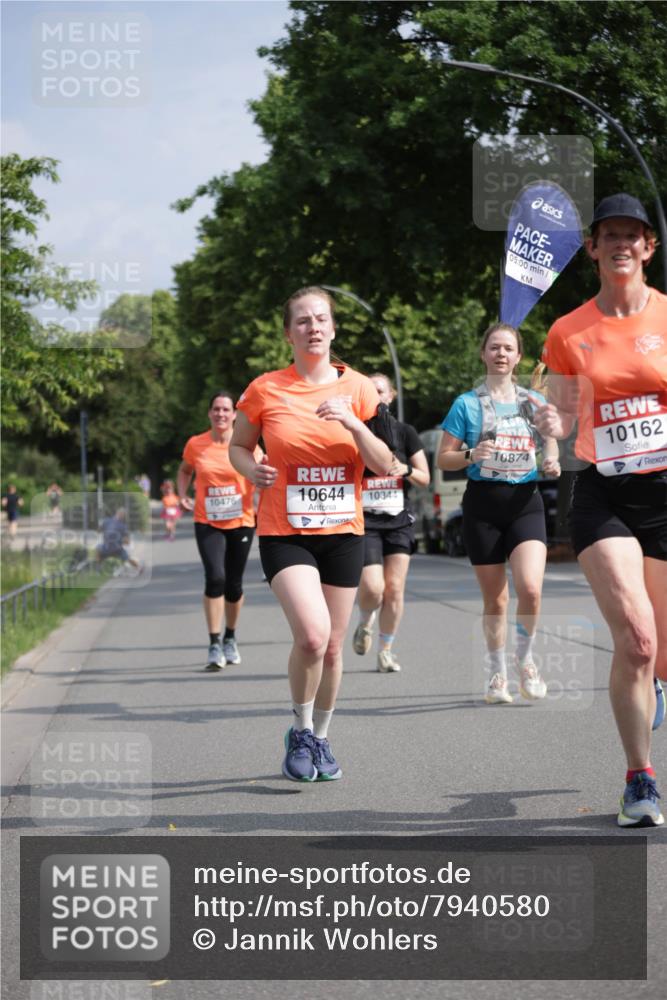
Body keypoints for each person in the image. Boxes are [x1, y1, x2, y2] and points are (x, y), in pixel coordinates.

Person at [536, 193, 666, 827]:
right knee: (638, 642)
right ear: (591, 248)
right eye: (608, 235)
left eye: (632, 235)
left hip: (666, 495)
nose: (621, 243)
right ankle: (640, 780)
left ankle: (655, 682)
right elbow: (562, 419)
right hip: (604, 495)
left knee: (661, 653)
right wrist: (548, 418)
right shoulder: (567, 332)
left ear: (649, 246)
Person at [229, 286, 393, 782]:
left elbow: (385, 464)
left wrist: (354, 425)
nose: (314, 327)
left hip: (344, 530)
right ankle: (299, 730)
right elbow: (239, 445)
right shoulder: (264, 390)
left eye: (321, 319)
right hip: (286, 531)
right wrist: (250, 468)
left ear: (334, 328)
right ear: (289, 333)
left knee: (335, 646)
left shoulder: (361, 389)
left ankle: (321, 738)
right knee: (312, 635)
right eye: (303, 321)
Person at [438, 322, 561, 706]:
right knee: (497, 601)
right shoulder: (466, 404)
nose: (502, 354)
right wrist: (473, 455)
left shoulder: (533, 401)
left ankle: (525, 661)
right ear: (483, 354)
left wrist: (552, 459)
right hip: (482, 506)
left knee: (531, 590)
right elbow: (443, 457)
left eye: (509, 348)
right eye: (495, 347)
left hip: (525, 503)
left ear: (518, 356)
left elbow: (551, 441)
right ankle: (497, 672)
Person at [351, 373, 430, 672]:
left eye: (381, 391)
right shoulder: (355, 432)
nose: (377, 396)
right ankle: (365, 621)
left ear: (391, 396)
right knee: (373, 588)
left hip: (398, 520)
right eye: (370, 392)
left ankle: (385, 650)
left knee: (394, 589)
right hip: (366, 521)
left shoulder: (405, 432)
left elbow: (424, 478)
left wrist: (404, 469)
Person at [178, 392, 258, 671]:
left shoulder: (248, 444)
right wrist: (182, 494)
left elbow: (262, 472)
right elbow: (185, 470)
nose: (221, 414)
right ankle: (214, 643)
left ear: (234, 415)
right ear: (209, 413)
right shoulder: (196, 444)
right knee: (215, 577)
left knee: (234, 584)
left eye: (226, 409)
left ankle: (230, 637)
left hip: (242, 521)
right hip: (207, 521)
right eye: (216, 409)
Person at [95, 507, 141, 572]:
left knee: (98, 549)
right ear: (120, 514)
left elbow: (98, 530)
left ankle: (98, 568)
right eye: (124, 515)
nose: (123, 517)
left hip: (107, 548)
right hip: (117, 549)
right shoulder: (123, 526)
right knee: (127, 558)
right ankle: (139, 568)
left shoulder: (107, 521)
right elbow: (127, 541)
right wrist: (121, 541)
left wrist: (105, 533)